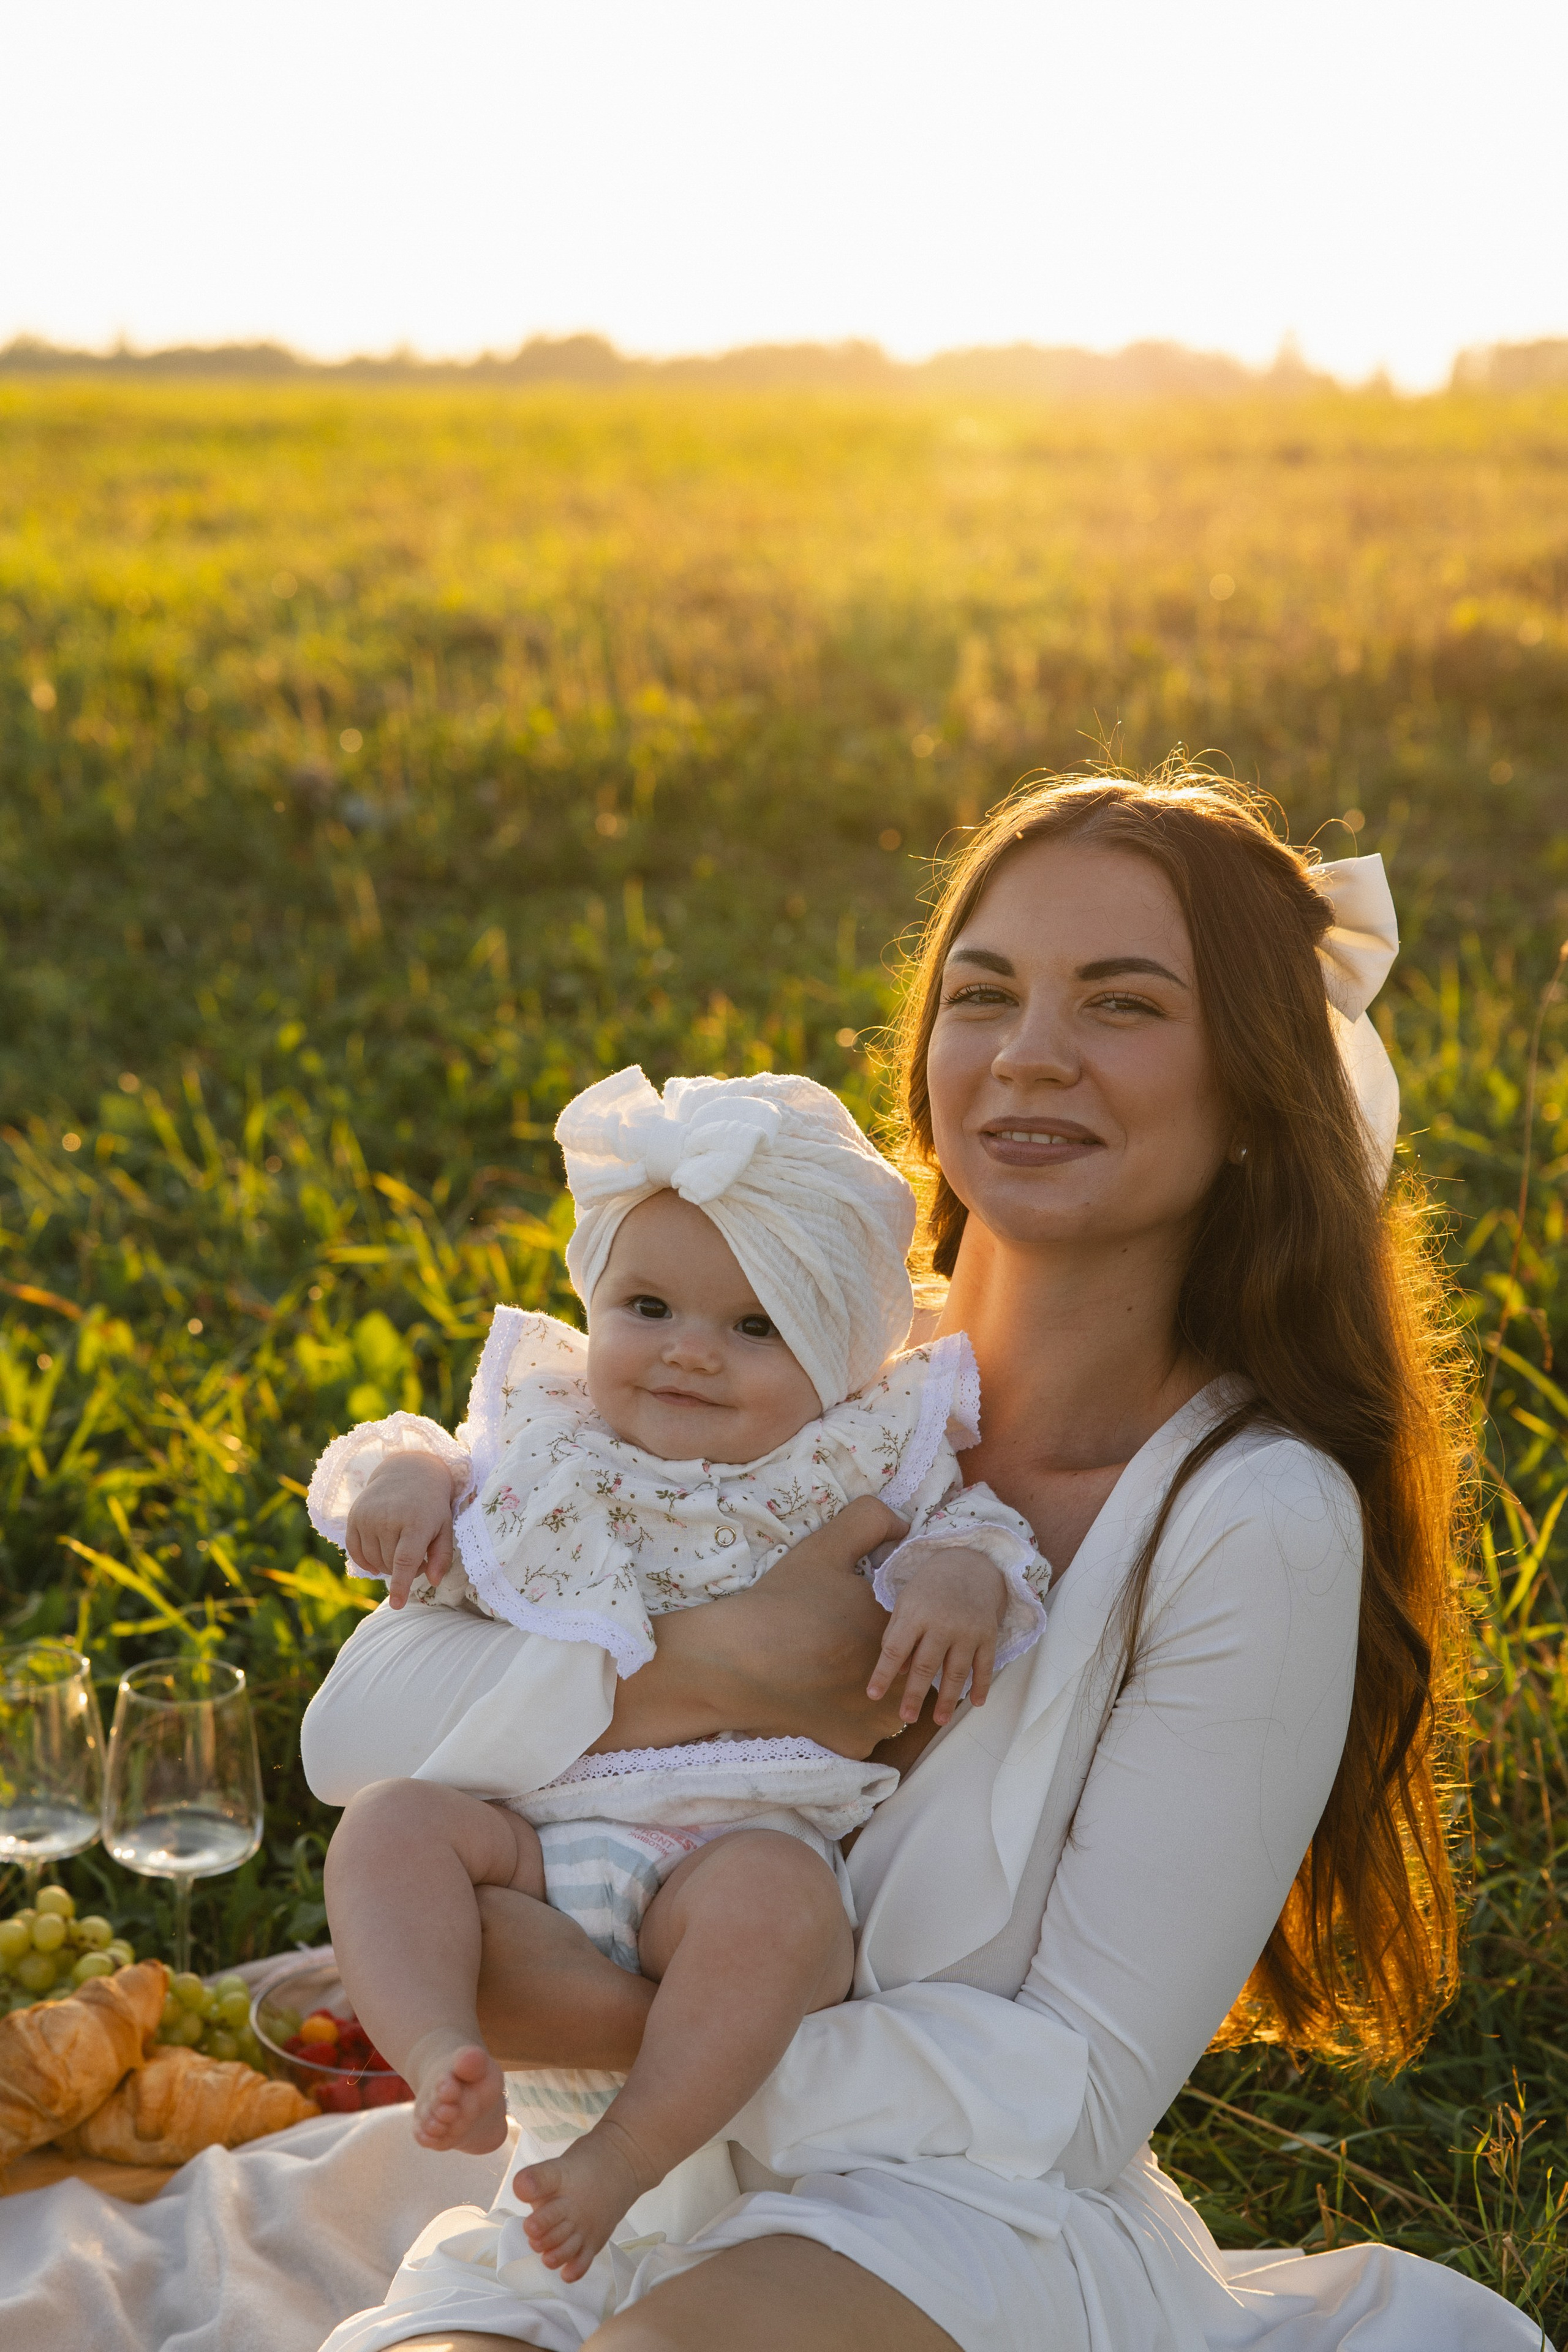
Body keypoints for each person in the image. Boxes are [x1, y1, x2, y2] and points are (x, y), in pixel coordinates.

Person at [303, 769, 1547, 2352]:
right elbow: (350, 1741)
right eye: (986, 994)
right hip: (603, 2193)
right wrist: (726, 1666)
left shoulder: (1249, 1519)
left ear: (1253, 1094)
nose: (1032, 1053)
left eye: (1124, 1005)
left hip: (954, 2220)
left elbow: (1077, 2091)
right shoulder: (791, 1385)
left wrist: (644, 2035)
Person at [309, 1067, 1047, 2281]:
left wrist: (958, 1577)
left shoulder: (856, 1462)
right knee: (390, 1830)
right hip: (538, 1849)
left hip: (727, 1848)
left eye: (754, 1328)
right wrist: (401, 1484)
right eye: (646, 1307)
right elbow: (423, 1459)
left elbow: (980, 1537)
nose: (689, 1356)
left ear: (844, 1361)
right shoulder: (550, 1439)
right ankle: (443, 2051)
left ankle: (624, 2153)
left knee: (780, 1910)